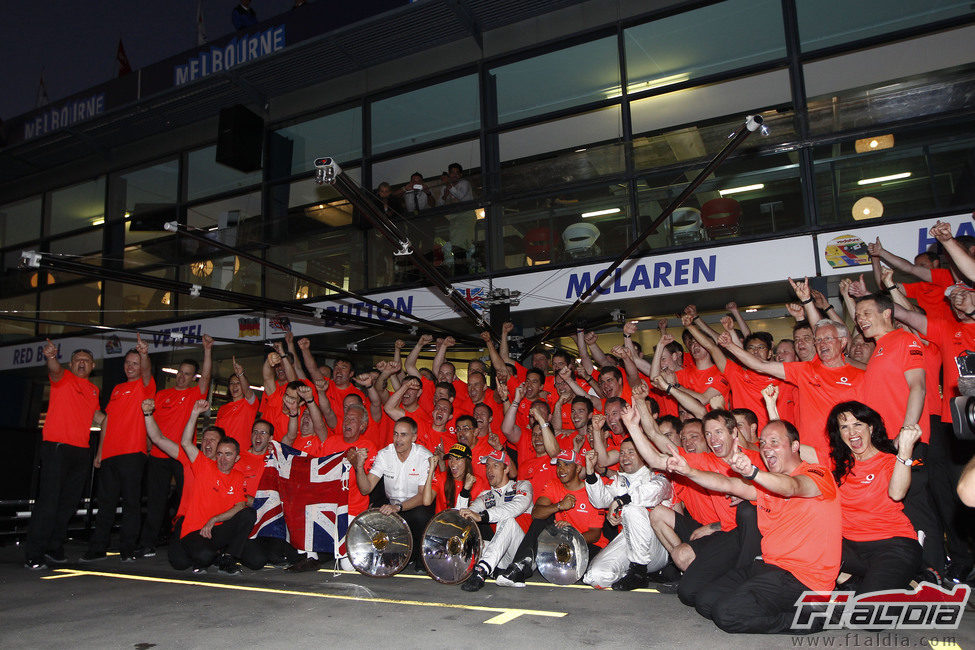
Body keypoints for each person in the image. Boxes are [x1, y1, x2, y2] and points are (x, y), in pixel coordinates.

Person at [667, 420, 841, 634]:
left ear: (795, 446)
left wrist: (753, 473)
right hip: (769, 567)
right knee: (704, 602)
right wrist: (689, 471)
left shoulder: (818, 474)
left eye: (774, 442)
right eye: (763, 443)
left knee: (727, 615)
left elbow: (792, 487)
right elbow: (728, 483)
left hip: (803, 580)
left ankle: (818, 617)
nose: (766, 448)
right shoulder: (766, 484)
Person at [826, 402, 922, 593]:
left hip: (892, 546)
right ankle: (857, 581)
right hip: (849, 548)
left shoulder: (889, 461)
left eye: (858, 424)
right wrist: (771, 407)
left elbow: (897, 493)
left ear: (870, 427)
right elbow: (789, 447)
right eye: (844, 427)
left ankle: (910, 580)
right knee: (807, 546)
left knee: (868, 617)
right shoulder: (837, 464)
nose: (852, 432)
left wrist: (904, 450)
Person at [24, 342, 103, 569]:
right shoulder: (64, 378)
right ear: (71, 364)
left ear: (92, 366)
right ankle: (34, 553)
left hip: (81, 451)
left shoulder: (93, 390)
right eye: (77, 359)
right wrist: (50, 357)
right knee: (49, 502)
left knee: (68, 504)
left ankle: (53, 547)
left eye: (86, 360)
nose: (81, 363)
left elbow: (98, 417)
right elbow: (54, 369)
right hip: (57, 448)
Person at [138, 335, 213, 556]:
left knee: (186, 501)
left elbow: (207, 376)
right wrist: (148, 444)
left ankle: (182, 540)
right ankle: (147, 543)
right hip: (159, 456)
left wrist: (207, 350)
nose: (181, 376)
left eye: (187, 374)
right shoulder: (162, 395)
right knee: (155, 502)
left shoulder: (193, 394)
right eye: (180, 372)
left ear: (193, 378)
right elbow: (150, 422)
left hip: (183, 456)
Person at [83, 336, 155, 562]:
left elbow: (146, 372)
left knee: (131, 504)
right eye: (128, 363)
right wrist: (100, 452)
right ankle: (98, 548)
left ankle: (127, 549)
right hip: (110, 456)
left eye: (135, 363)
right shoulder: (116, 389)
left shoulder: (145, 386)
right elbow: (107, 422)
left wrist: (144, 354)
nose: (130, 367)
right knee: (106, 504)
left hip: (133, 454)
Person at [496, 449, 605, 587]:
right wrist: (559, 506)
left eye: (566, 464)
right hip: (561, 543)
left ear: (578, 468)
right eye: (558, 465)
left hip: (588, 544)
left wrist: (571, 535)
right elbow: (536, 513)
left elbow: (595, 534)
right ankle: (519, 566)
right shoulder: (554, 485)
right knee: (541, 519)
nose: (561, 469)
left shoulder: (592, 491)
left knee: (590, 576)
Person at [582, 438, 672, 590]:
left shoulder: (657, 474)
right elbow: (600, 500)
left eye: (631, 452)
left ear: (643, 455)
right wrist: (590, 472)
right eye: (622, 453)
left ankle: (639, 572)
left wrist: (620, 501)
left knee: (632, 509)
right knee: (597, 576)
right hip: (630, 541)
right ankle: (635, 572)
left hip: (659, 544)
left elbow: (655, 491)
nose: (625, 457)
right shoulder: (620, 480)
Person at [353, 416, 434, 571]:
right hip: (392, 505)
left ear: (414, 438)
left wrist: (398, 507)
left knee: (422, 514)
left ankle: (421, 556)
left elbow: (423, 496)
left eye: (403, 435)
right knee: (373, 514)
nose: (398, 439)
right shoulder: (385, 454)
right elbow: (366, 488)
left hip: (414, 504)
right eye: (395, 434)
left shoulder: (424, 456)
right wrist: (359, 466)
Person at [458, 449, 533, 592]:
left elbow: (516, 507)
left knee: (508, 520)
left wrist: (483, 516)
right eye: (487, 466)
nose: (489, 470)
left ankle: (481, 571)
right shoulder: (485, 496)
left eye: (495, 466)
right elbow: (461, 518)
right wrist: (465, 491)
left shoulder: (522, 486)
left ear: (507, 468)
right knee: (474, 541)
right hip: (501, 554)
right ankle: (497, 571)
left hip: (522, 553)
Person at [214, 356, 259, 452]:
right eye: (231, 383)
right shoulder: (223, 408)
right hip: (223, 454)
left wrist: (241, 374)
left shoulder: (249, 404)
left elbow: (247, 391)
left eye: (238, 383)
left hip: (242, 453)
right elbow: (216, 434)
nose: (234, 386)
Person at [422, 443, 479, 512]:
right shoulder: (442, 477)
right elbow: (426, 502)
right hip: (441, 521)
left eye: (457, 459)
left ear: (467, 462)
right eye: (450, 458)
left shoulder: (478, 482)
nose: (453, 463)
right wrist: (431, 470)